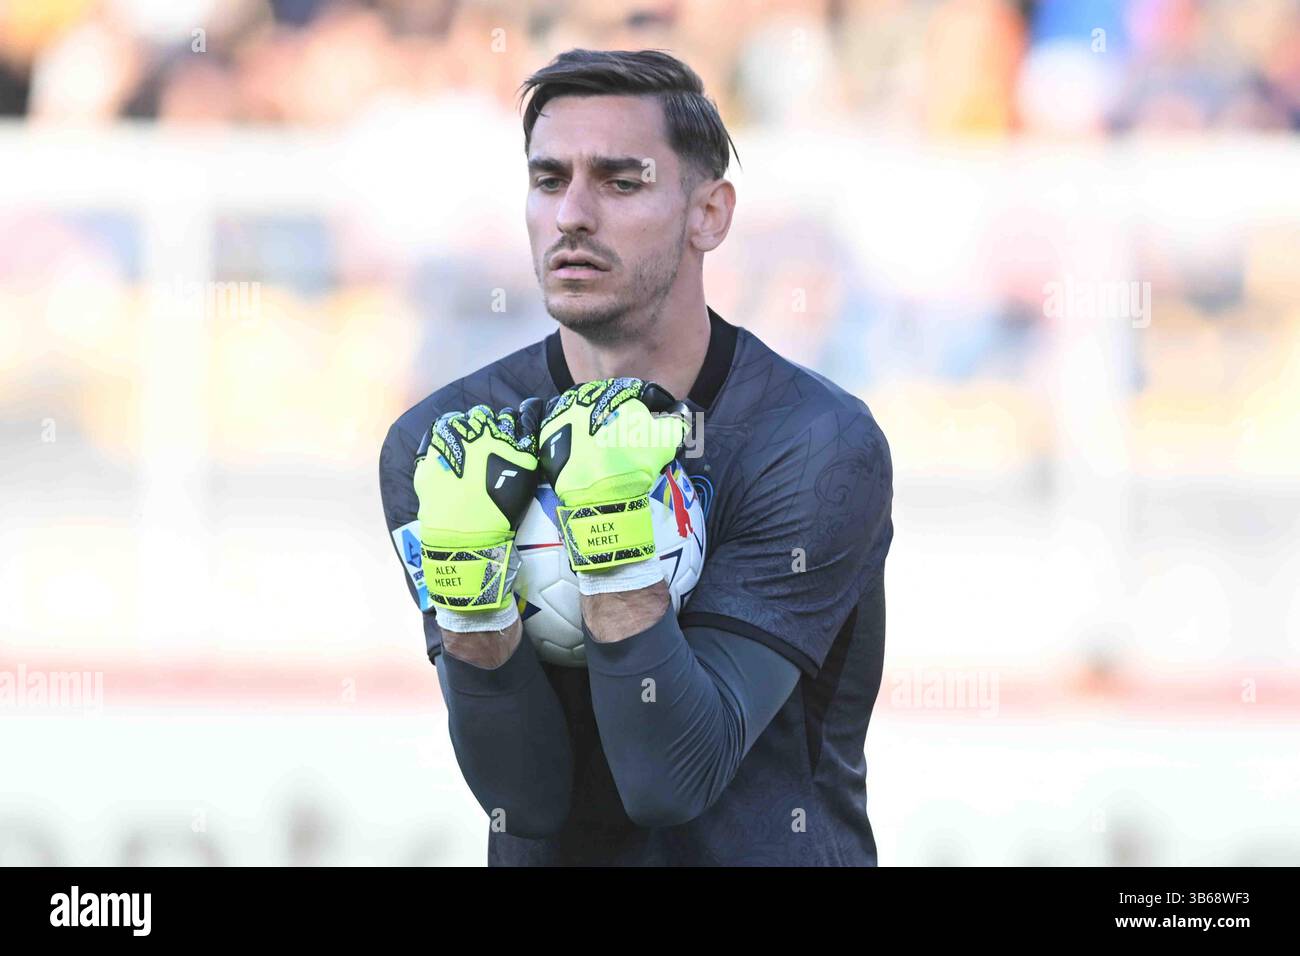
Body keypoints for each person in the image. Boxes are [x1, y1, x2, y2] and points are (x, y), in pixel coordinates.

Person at [379, 49, 893, 865]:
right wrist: (473, 607)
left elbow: (671, 779)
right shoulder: (443, 441)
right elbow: (525, 799)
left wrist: (613, 540)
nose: (573, 214)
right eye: (549, 181)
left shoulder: (814, 443)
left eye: (622, 182)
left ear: (709, 215)